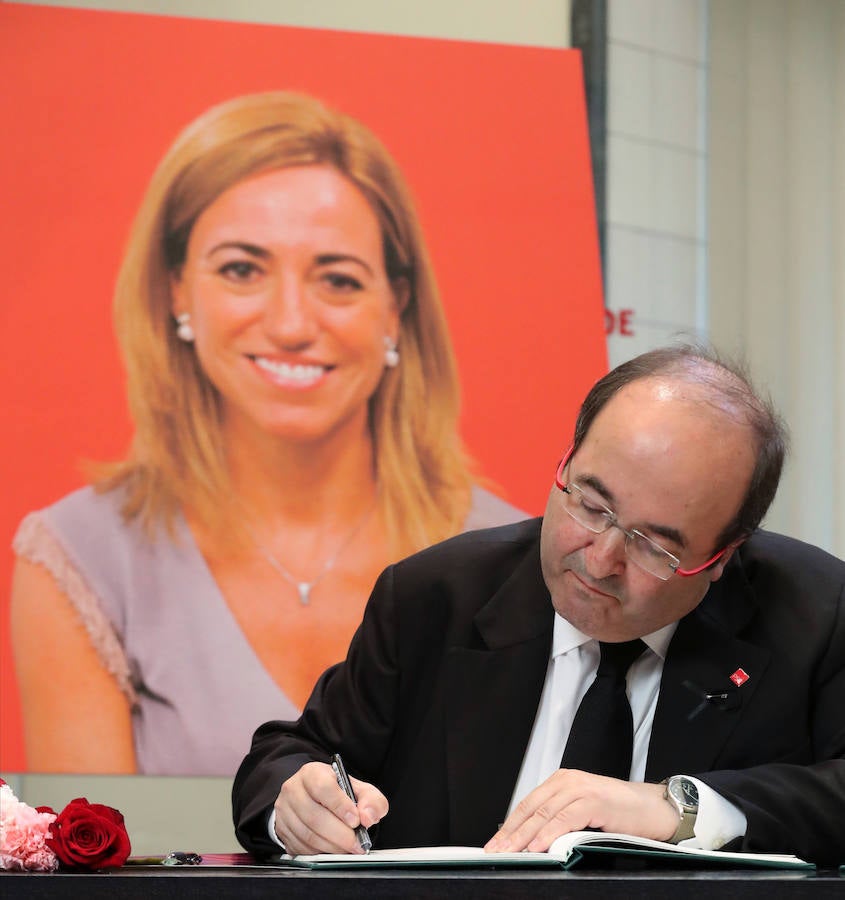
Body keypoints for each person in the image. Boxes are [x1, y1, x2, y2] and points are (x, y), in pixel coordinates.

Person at [9, 91, 526, 776]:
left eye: (338, 280)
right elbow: (99, 878)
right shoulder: (77, 563)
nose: (289, 322)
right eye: (241, 270)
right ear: (175, 291)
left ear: (395, 308)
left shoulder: (516, 566)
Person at [231, 345, 845, 866]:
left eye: (654, 545)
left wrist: (678, 808)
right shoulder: (437, 595)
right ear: (567, 463)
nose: (600, 558)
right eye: (592, 505)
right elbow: (291, 754)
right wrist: (297, 805)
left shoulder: (814, 615)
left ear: (721, 558)